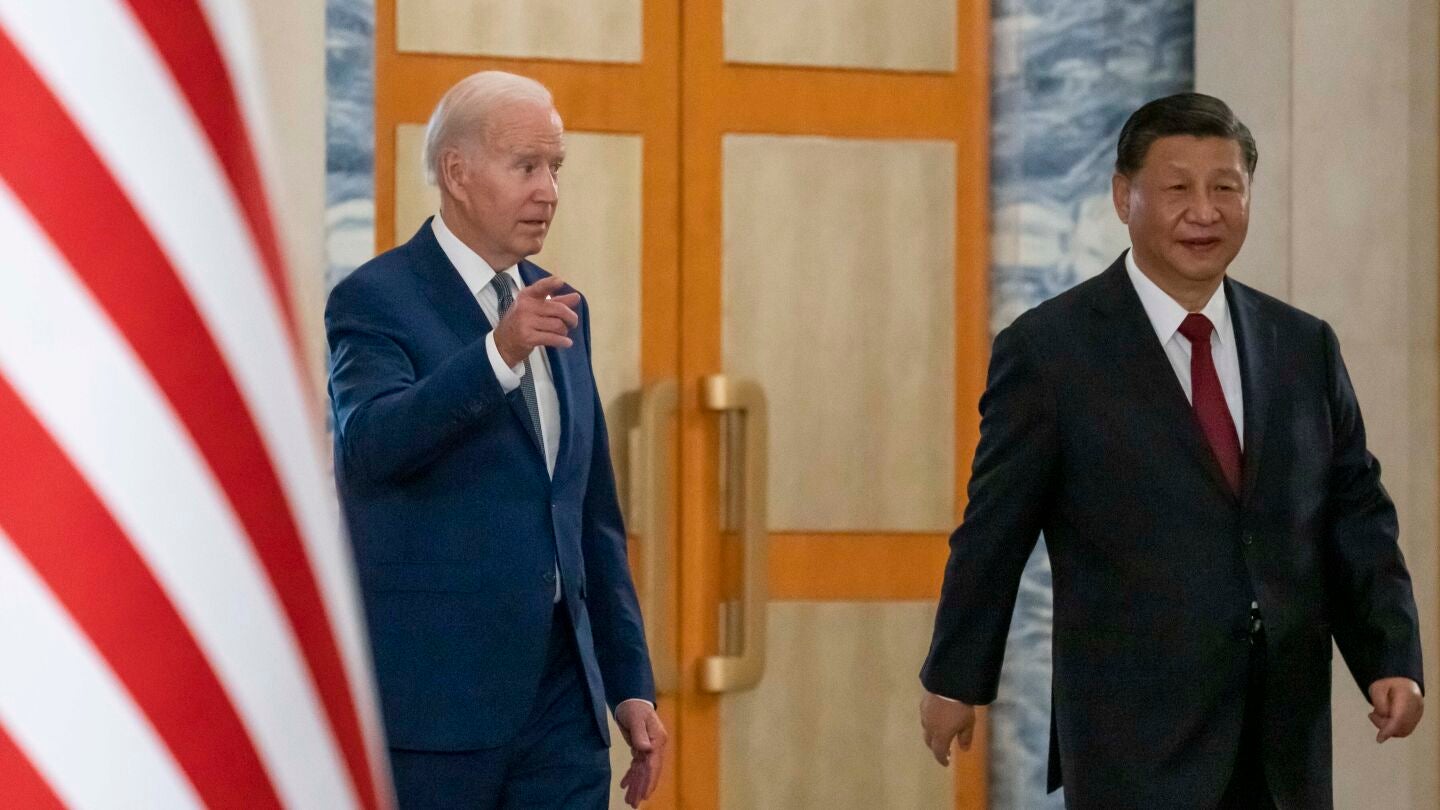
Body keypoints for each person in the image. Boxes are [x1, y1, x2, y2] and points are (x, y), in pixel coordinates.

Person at [919, 92, 1424, 809]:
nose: (1204, 211)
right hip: (1134, 738)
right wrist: (954, 679)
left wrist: (1389, 657)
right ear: (1123, 196)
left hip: (1282, 739)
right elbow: (995, 529)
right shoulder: (1050, 352)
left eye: (1226, 188)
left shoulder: (1303, 345)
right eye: (1178, 188)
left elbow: (1355, 515)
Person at [326, 70, 664, 809]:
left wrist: (629, 682)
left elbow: (591, 514)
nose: (549, 191)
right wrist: (495, 356)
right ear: (457, 173)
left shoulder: (561, 305)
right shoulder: (376, 299)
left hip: (564, 707)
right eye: (526, 166)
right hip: (439, 707)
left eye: (556, 168)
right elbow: (369, 447)